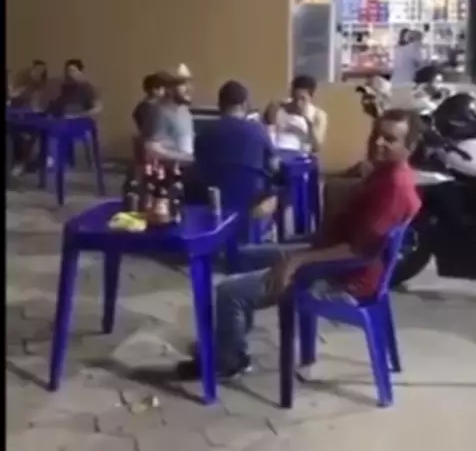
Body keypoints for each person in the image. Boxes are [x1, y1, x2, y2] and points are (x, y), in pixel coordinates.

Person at [176, 108, 422, 380]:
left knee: (229, 292)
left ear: (409, 147)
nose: (378, 143)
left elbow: (357, 251)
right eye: (376, 134)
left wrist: (296, 260)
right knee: (239, 257)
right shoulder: (383, 173)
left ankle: (228, 362)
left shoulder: (393, 188)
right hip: (326, 257)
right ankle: (228, 341)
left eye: (390, 139)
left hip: (341, 278)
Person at [195, 80, 279, 187]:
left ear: (220, 106)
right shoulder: (260, 131)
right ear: (245, 105)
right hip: (254, 195)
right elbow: (273, 166)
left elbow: (200, 168)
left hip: (216, 195)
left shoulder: (203, 134)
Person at [142, 69, 194, 163]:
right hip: (170, 169)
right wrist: (186, 158)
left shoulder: (185, 111)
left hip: (187, 167)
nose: (189, 88)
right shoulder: (158, 112)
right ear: (168, 89)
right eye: (183, 84)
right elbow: (151, 149)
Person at [264, 75, 328, 152]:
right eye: (295, 98)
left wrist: (308, 121)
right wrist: (271, 117)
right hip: (276, 151)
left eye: (302, 98)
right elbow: (265, 132)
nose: (298, 103)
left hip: (300, 155)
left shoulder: (318, 115)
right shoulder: (278, 108)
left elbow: (317, 147)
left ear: (311, 97)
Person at [8, 60, 50, 176]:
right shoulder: (23, 85)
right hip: (18, 117)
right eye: (36, 70)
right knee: (14, 133)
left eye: (41, 71)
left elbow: (43, 106)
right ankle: (20, 162)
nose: (38, 73)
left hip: (34, 119)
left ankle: (23, 164)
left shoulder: (43, 87)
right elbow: (13, 97)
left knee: (32, 135)